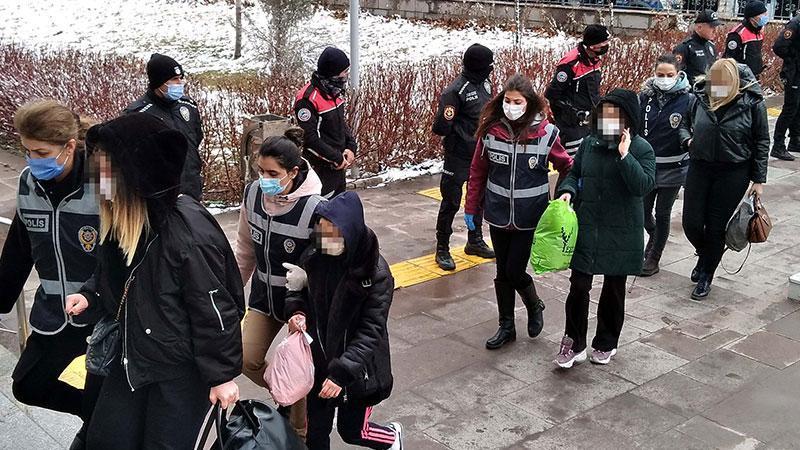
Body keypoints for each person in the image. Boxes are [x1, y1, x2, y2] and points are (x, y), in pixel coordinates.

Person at [65, 113, 245, 449]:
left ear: (137, 176)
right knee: (106, 440)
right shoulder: (125, 219)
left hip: (180, 371)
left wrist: (221, 375)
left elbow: (215, 309)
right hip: (134, 355)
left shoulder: (187, 237)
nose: (96, 180)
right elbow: (114, 275)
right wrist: (90, 294)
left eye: (105, 171)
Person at [0, 100, 102, 450]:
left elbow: (126, 251)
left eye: (41, 152)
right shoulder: (29, 184)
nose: (32, 160)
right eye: (27, 151)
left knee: (102, 399)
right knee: (27, 385)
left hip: (103, 314)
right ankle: (97, 416)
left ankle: (100, 425)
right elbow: (19, 250)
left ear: (69, 146)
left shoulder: (103, 181)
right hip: (55, 313)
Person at [284, 192, 402, 450]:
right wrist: (297, 311)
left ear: (349, 233)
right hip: (319, 361)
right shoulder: (314, 255)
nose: (323, 240)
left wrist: (341, 374)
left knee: (352, 431)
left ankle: (392, 438)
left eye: (332, 234)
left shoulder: (376, 274)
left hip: (356, 369)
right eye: (321, 230)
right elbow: (296, 290)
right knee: (315, 434)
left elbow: (370, 332)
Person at [464, 74, 573, 350]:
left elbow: (567, 166)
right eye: (508, 101)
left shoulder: (546, 134)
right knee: (502, 271)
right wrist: (471, 207)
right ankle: (506, 326)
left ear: (529, 103)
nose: (511, 106)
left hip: (530, 216)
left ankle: (534, 304)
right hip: (498, 214)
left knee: (514, 270)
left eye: (518, 102)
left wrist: (564, 193)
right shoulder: (491, 132)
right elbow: (478, 171)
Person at [554, 89, 655, 368]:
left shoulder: (642, 149)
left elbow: (643, 186)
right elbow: (574, 173)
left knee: (613, 289)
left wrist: (625, 156)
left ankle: (606, 342)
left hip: (621, 230)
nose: (608, 120)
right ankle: (574, 343)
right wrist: (567, 191)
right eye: (604, 114)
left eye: (615, 115)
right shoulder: (589, 143)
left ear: (628, 119)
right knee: (578, 286)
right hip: (588, 225)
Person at [235, 127, 324, 439]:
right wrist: (234, 290)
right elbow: (245, 248)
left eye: (272, 173)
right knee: (246, 358)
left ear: (293, 172)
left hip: (299, 304)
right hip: (263, 297)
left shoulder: (316, 207)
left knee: (294, 367)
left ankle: (299, 435)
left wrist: (309, 278)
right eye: (260, 171)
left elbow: (335, 261)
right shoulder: (252, 195)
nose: (264, 179)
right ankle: (286, 394)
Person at [679, 59, 769, 300]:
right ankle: (706, 253)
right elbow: (684, 124)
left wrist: (758, 179)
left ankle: (706, 274)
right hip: (700, 165)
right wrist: (687, 141)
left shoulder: (752, 102)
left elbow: (762, 140)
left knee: (716, 226)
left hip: (733, 170)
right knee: (691, 222)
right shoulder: (699, 97)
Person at [432, 43, 496, 271]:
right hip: (458, 156)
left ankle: (475, 240)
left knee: (477, 198)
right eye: (488, 65)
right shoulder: (455, 91)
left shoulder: (486, 85)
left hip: (480, 154)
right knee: (451, 202)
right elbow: (441, 126)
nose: (491, 69)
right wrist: (461, 135)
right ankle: (442, 248)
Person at [639, 54, 694, 277]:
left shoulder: (688, 100)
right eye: (660, 74)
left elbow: (691, 127)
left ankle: (654, 257)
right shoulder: (645, 97)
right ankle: (654, 235)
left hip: (674, 167)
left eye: (669, 75)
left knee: (662, 213)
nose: (664, 79)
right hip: (647, 167)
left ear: (678, 74)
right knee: (643, 212)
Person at [123, 53, 205, 201]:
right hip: (159, 196)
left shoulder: (188, 106)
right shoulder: (138, 114)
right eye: (174, 79)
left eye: (181, 78)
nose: (179, 83)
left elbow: (196, 138)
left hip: (191, 191)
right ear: (158, 82)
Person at [294, 47, 358, 198]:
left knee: (339, 208)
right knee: (322, 209)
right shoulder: (307, 99)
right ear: (333, 73)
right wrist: (336, 158)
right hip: (320, 169)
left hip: (338, 167)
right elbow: (309, 139)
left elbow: (340, 123)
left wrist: (351, 147)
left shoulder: (335, 91)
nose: (347, 75)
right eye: (344, 71)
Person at [545, 24, 611, 156]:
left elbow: (592, 92)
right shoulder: (570, 63)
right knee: (572, 164)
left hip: (589, 122)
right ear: (592, 45)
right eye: (604, 42)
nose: (607, 45)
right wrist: (572, 113)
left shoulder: (594, 60)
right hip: (571, 126)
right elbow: (552, 94)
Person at [771, 13, 800, 161]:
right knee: (790, 108)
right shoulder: (796, 23)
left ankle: (795, 140)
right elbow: (779, 46)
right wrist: (794, 58)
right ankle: (778, 145)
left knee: (798, 107)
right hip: (793, 72)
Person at [674, 10, 723, 86]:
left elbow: (715, 71)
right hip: (691, 91)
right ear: (699, 27)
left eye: (716, 27)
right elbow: (676, 75)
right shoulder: (685, 47)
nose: (715, 31)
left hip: (710, 90)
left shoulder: (711, 46)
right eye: (712, 27)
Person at [724, 1, 768, 80]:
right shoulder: (737, 34)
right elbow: (730, 59)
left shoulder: (758, 31)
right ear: (752, 17)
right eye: (762, 14)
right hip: (741, 78)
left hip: (754, 77)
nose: (765, 16)